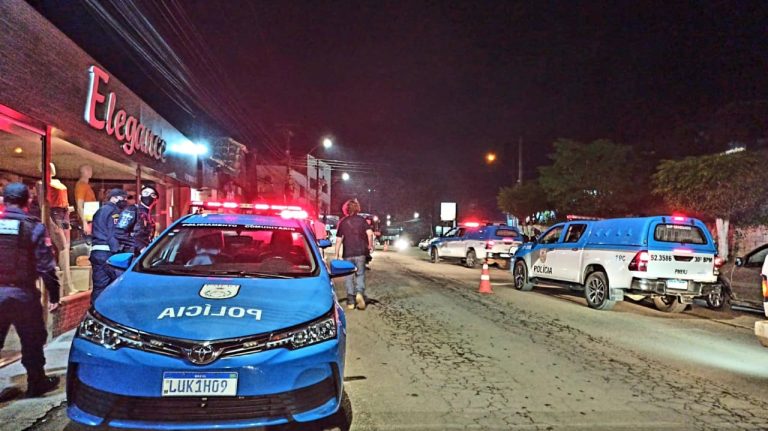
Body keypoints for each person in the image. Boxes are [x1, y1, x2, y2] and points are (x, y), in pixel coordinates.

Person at [0, 183, 61, 397]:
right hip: (23, 295)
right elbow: (46, 266)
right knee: (32, 340)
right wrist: (54, 294)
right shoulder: (33, 226)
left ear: (4, 200)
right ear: (28, 201)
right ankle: (36, 383)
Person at [89, 188, 128, 302]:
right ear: (114, 198)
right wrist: (118, 250)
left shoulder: (100, 210)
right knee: (116, 286)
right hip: (108, 253)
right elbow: (113, 232)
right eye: (122, 198)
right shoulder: (114, 212)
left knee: (99, 286)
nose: (125, 200)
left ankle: (95, 309)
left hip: (96, 252)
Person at [335, 199, 374, 310]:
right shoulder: (362, 220)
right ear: (357, 208)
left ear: (346, 209)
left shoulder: (343, 222)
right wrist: (370, 245)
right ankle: (359, 293)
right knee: (360, 274)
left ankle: (351, 301)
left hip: (347, 253)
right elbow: (370, 233)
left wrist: (336, 255)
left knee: (348, 276)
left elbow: (338, 240)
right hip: (361, 252)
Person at [117, 185, 158, 255]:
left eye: (152, 194)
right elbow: (119, 232)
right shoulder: (132, 210)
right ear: (140, 197)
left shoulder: (149, 215)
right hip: (131, 253)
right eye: (146, 193)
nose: (148, 196)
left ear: (156, 198)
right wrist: (141, 247)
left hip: (144, 254)